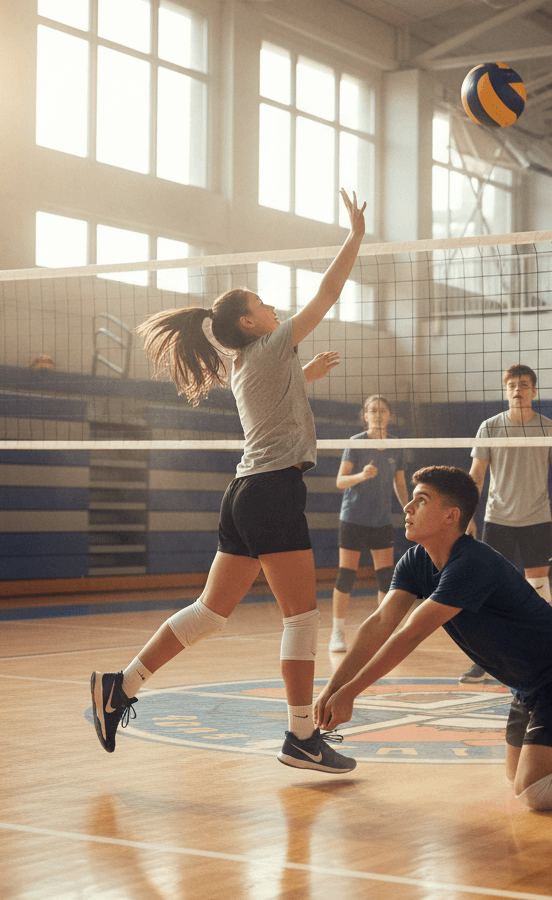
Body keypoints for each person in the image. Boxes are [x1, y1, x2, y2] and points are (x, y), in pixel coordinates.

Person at [90, 188, 366, 774]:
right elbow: (329, 292)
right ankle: (299, 736)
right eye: (264, 303)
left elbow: (277, 406)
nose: (273, 307)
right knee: (302, 618)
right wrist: (355, 237)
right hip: (270, 491)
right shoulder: (269, 347)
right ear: (250, 321)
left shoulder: (252, 361)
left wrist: (304, 374)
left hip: (243, 494)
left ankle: (121, 685)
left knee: (210, 615)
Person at [314, 465, 552, 811]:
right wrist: (333, 687)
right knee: (515, 774)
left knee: (537, 791)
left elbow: (410, 634)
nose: (407, 508)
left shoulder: (471, 564)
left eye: (420, 500)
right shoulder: (417, 560)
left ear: (451, 515)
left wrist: (352, 692)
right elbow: (381, 622)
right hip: (528, 683)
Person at [459, 364, 552, 684]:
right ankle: (486, 658)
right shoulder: (490, 427)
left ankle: (544, 653)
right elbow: (476, 476)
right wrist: (468, 518)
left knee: (538, 591)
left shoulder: (549, 428)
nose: (517, 389)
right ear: (505, 391)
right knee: (490, 591)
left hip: (537, 519)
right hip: (498, 519)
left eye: (523, 384)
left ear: (534, 391)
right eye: (511, 385)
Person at [329, 394, 409, 651]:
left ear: (389, 416)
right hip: (353, 518)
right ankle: (337, 632)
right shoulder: (356, 442)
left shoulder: (396, 445)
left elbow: (400, 482)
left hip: (381, 519)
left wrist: (408, 508)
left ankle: (382, 632)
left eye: (382, 410)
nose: (377, 414)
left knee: (385, 577)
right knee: (346, 575)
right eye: (372, 410)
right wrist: (361, 476)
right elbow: (340, 481)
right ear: (365, 416)